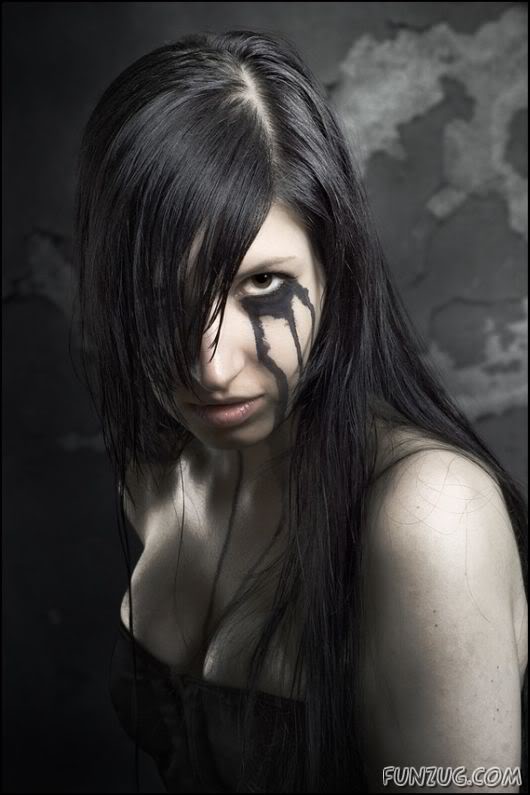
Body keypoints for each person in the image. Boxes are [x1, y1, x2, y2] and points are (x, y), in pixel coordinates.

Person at [72, 29, 528, 794]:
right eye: (159, 294)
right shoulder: (158, 471)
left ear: (333, 264)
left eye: (261, 284)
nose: (211, 367)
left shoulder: (429, 517)